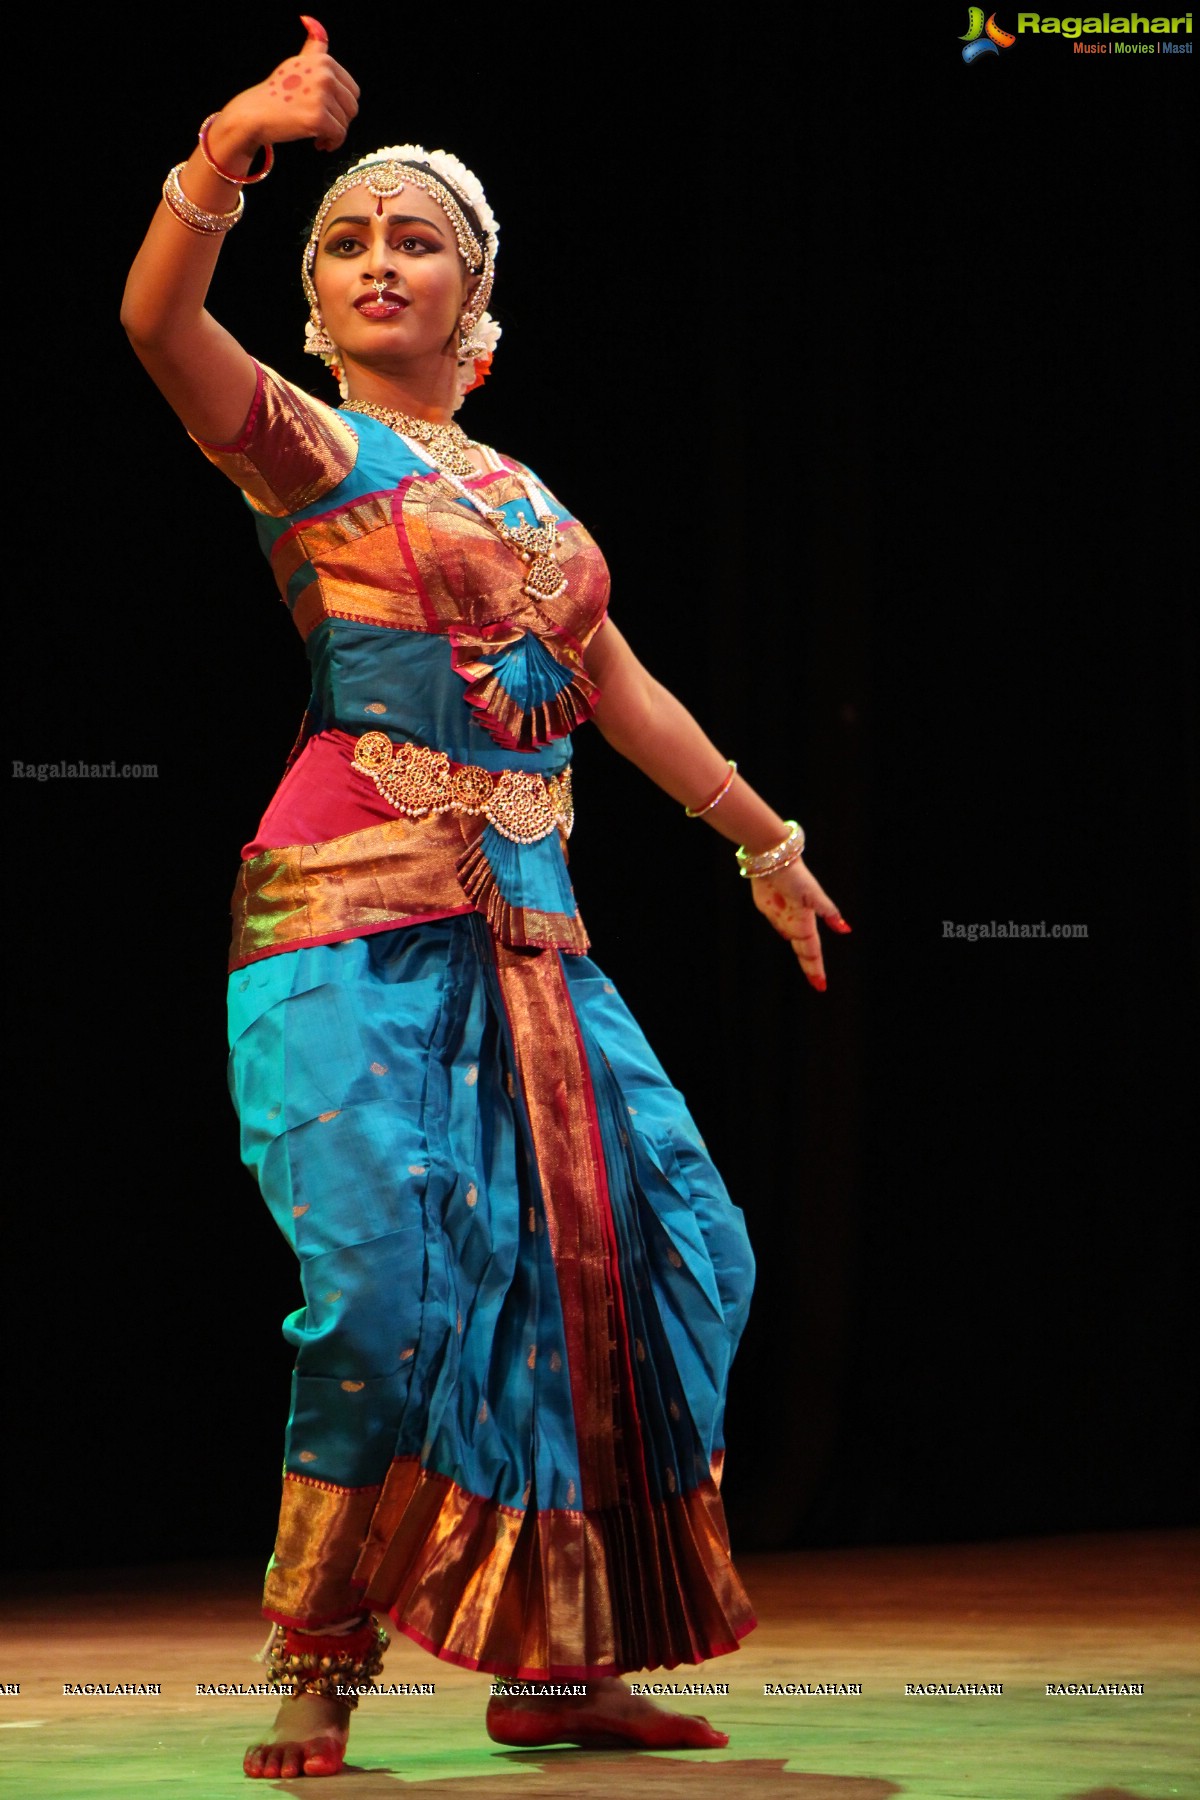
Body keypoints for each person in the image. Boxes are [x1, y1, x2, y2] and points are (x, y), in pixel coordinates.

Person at [121, 18, 851, 1783]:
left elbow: (616, 682)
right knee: (377, 1295)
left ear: (479, 298)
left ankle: (560, 1660)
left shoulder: (529, 501)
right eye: (348, 242)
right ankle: (318, 1658)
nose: (380, 261)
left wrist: (765, 841)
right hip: (353, 931)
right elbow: (156, 325)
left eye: (414, 238)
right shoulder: (312, 452)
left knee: (659, 1265)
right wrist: (231, 145)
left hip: (537, 946)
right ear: (313, 302)